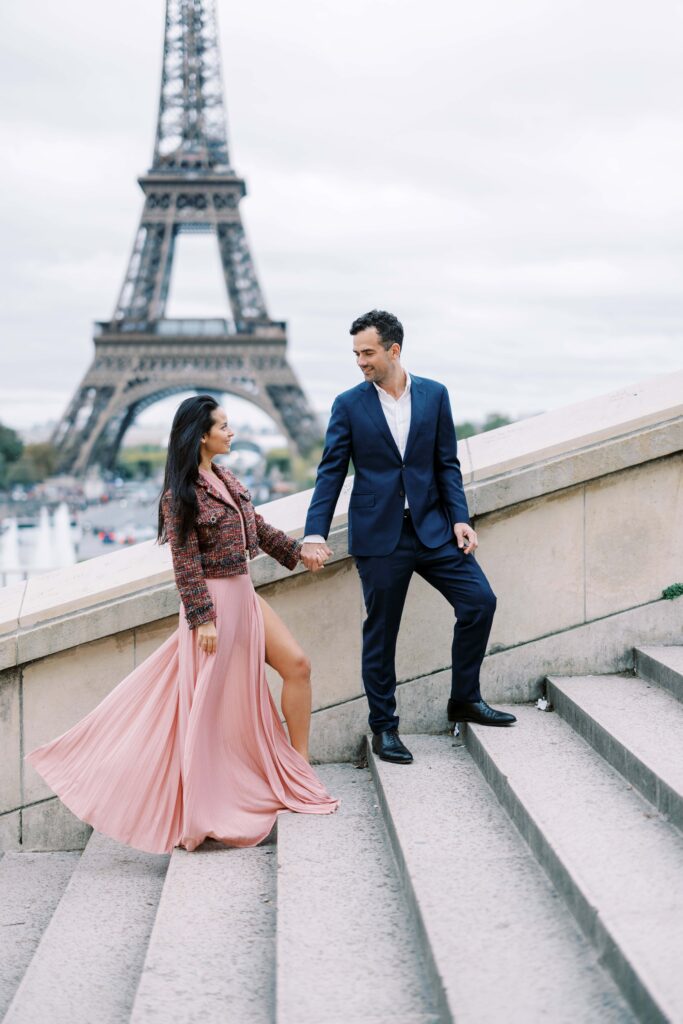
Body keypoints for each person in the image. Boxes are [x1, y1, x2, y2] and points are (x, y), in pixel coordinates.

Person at [25, 395, 339, 854]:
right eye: (224, 426)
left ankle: (298, 768)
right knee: (213, 710)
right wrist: (201, 619)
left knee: (297, 665)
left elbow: (260, 527)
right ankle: (210, 795)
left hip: (243, 594)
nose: (232, 432)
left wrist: (300, 553)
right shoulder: (181, 494)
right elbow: (184, 560)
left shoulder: (227, 477)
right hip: (213, 604)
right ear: (202, 436)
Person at [301, 310, 516, 765]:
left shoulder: (435, 396)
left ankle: (464, 698)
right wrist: (314, 531)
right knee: (381, 634)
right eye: (356, 353)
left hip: (433, 528)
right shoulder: (348, 404)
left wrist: (460, 518)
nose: (360, 361)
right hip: (380, 537)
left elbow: (445, 464)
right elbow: (331, 472)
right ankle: (385, 728)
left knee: (480, 601)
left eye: (368, 352)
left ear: (393, 350)